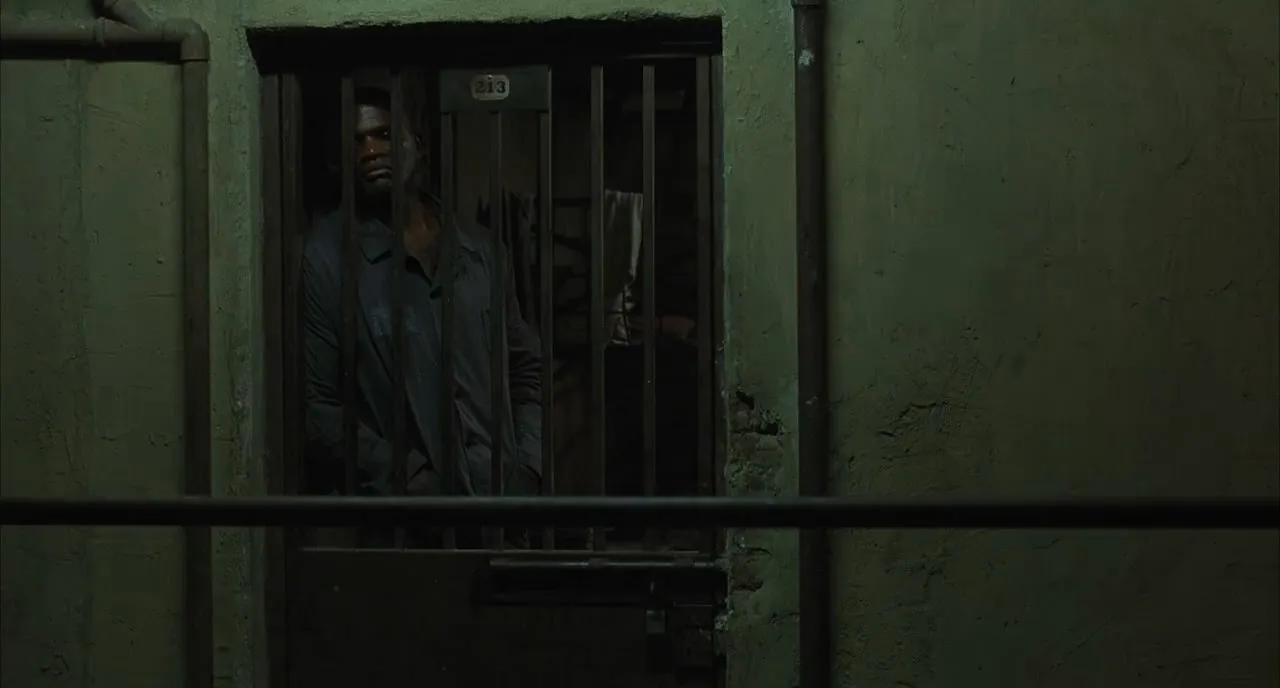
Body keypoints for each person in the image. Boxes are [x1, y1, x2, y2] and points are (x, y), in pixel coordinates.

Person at [301, 80, 542, 536]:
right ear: (337, 165)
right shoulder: (329, 256)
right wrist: (408, 475)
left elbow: (526, 367)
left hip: (501, 509)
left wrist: (529, 467)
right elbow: (318, 408)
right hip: (406, 524)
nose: (372, 151)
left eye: (384, 134)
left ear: (419, 145)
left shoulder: (480, 251)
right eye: (356, 143)